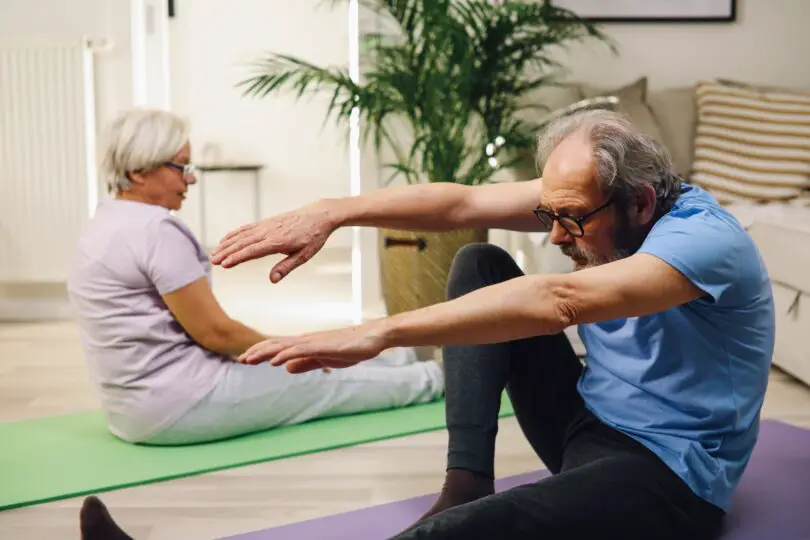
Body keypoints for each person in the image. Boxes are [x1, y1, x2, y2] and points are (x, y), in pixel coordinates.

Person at [79, 109, 774, 540]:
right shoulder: (597, 200)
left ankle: (465, 512)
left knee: (467, 537)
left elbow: (560, 300)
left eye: (572, 220)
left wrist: (379, 332)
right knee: (479, 260)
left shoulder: (703, 242)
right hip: (585, 426)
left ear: (641, 202)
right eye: (551, 214)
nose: (559, 234)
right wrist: (334, 209)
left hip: (669, 479)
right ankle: (464, 478)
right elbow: (462, 203)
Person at [66, 108, 444, 451]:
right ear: (137, 171)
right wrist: (293, 349)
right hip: (178, 405)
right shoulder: (155, 231)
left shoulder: (103, 223)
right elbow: (217, 334)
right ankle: (438, 379)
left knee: (307, 359)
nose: (191, 178)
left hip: (130, 411)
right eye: (181, 167)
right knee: (314, 379)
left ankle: (404, 359)